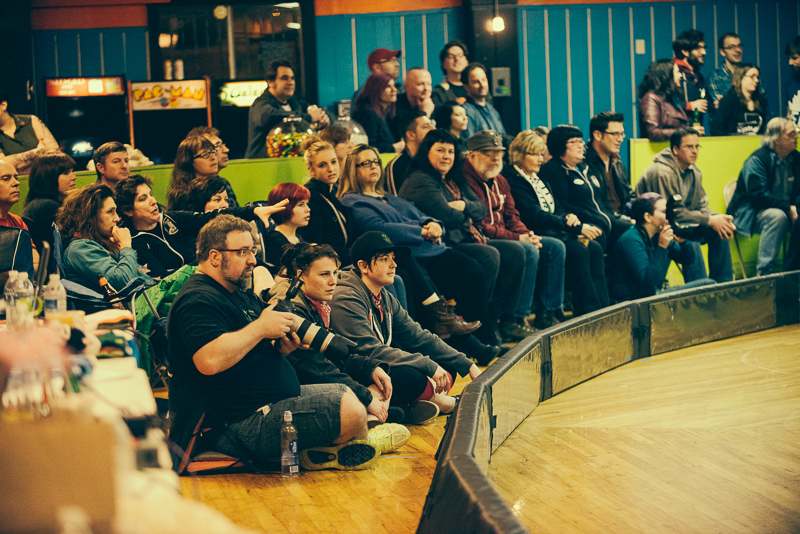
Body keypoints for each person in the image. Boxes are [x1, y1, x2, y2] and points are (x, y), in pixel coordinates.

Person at [167, 214, 404, 472]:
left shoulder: (236, 293)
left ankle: (331, 450)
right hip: (237, 423)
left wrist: (278, 348)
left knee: (346, 392)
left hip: (268, 403)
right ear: (214, 256)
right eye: (243, 252)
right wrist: (260, 328)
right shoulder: (198, 299)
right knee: (351, 410)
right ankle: (361, 443)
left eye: (253, 251)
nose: (252, 260)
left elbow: (247, 348)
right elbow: (209, 360)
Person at [330, 231, 482, 420]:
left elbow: (419, 336)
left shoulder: (383, 296)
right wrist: (427, 366)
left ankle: (402, 408)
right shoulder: (345, 297)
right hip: (354, 373)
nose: (394, 264)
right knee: (411, 377)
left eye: (393, 258)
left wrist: (467, 364)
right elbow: (369, 350)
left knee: (447, 365)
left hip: (377, 369)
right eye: (384, 259)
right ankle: (440, 403)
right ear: (363, 266)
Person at [337, 143, 482, 339]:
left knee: (472, 269)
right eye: (366, 163)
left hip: (427, 250)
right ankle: (446, 322)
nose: (373, 166)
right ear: (352, 169)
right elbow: (379, 228)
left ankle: (471, 335)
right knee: (412, 271)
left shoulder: (390, 197)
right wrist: (421, 231)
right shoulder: (352, 200)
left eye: (376, 162)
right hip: (406, 253)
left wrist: (433, 224)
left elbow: (420, 215)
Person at [267, 243, 405, 428]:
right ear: (301, 275)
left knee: (381, 377)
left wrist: (371, 368)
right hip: (295, 389)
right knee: (358, 392)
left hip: (317, 378)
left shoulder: (319, 305)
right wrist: (366, 397)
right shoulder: (291, 311)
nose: (333, 281)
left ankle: (372, 417)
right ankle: (371, 419)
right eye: (324, 274)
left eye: (335, 273)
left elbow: (338, 356)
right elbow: (316, 367)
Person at [399, 128, 509, 354]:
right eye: (440, 150)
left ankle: (491, 324)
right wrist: (466, 215)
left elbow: (481, 208)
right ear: (426, 152)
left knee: (508, 254)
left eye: (450, 151)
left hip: (453, 240)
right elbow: (447, 216)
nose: (446, 156)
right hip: (431, 249)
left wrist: (464, 206)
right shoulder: (420, 179)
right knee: (482, 261)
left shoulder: (451, 178)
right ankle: (479, 334)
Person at [463, 130, 566, 333]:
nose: (495, 158)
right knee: (527, 250)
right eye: (489, 153)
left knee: (554, 246)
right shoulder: (466, 180)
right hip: (480, 239)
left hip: (505, 236)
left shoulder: (500, 179)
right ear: (472, 155)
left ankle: (548, 312)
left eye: (498, 153)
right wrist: (520, 238)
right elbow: (481, 225)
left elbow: (512, 216)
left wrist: (527, 235)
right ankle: (515, 318)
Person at [505, 130, 608, 316]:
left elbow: (556, 206)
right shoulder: (513, 179)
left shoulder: (536, 178)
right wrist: (573, 225)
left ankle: (604, 310)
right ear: (519, 155)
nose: (540, 159)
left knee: (594, 248)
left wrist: (568, 216)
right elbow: (534, 214)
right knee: (577, 250)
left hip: (554, 229)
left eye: (541, 154)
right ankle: (580, 313)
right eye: (534, 154)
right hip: (535, 231)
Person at [114, 174, 285, 280]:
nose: (153, 201)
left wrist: (253, 211)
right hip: (188, 293)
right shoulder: (135, 242)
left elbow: (211, 217)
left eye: (151, 195)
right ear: (128, 211)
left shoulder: (170, 219)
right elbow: (164, 282)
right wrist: (204, 263)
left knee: (260, 270)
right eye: (143, 199)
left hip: (209, 278)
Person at [636, 127, 735, 283]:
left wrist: (716, 220)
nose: (694, 151)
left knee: (720, 228)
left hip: (682, 221)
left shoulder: (695, 172)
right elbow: (671, 214)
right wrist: (708, 220)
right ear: (675, 150)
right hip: (656, 225)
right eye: (689, 147)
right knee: (687, 234)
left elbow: (701, 205)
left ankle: (723, 286)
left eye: (697, 146)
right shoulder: (662, 172)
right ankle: (699, 288)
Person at [539, 124, 630, 253]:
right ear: (560, 145)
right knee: (597, 234)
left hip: (605, 220)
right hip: (582, 222)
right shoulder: (554, 170)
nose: (580, 146)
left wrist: (611, 216)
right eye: (574, 142)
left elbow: (602, 197)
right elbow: (563, 205)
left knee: (634, 229)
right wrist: (595, 218)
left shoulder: (585, 167)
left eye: (580, 141)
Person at [727, 117, 800, 275]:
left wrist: (794, 208)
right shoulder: (758, 160)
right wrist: (788, 208)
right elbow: (758, 198)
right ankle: (765, 275)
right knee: (777, 216)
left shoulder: (795, 158)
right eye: (791, 134)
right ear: (777, 139)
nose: (796, 137)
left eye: (796, 133)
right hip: (750, 213)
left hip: (785, 210)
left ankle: (793, 274)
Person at [608, 194, 712, 301]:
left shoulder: (657, 235)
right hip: (631, 302)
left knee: (709, 286)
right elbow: (648, 282)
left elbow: (687, 259)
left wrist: (683, 241)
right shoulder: (631, 239)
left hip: (650, 296)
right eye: (664, 212)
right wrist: (662, 247)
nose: (669, 215)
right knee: (708, 285)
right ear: (648, 217)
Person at [56, 183, 153, 294]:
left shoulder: (102, 241)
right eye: (110, 212)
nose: (117, 218)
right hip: (130, 302)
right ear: (90, 216)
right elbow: (123, 282)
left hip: (146, 296)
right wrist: (126, 246)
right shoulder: (80, 248)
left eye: (116, 211)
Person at [246, 60, 330, 159]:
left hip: (291, 162)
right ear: (271, 82)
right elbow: (269, 117)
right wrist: (309, 117)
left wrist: (324, 119)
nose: (290, 82)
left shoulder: (295, 103)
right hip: (262, 164)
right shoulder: (260, 104)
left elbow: (321, 113)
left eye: (292, 78)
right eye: (284, 78)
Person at [296, 137, 355, 265]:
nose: (331, 169)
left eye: (333, 162)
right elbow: (314, 244)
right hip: (329, 265)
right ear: (311, 170)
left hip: (343, 261)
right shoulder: (309, 198)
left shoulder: (330, 193)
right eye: (322, 165)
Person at [22, 152, 76, 257]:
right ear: (48, 176)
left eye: (72, 171)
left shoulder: (39, 203)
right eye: (66, 173)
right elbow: (70, 246)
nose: (74, 177)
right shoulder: (47, 206)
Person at [0, 88, 59, 175]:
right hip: (16, 181)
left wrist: (18, 164)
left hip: (45, 178)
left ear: (3, 105)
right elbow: (3, 166)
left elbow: (55, 153)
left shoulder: (31, 120)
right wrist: (40, 151)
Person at [0, 159, 38, 283]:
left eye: (16, 177)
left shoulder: (17, 222)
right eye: (6, 178)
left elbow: (35, 264)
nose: (16, 182)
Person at [637, 59, 691, 141]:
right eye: (677, 72)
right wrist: (685, 132)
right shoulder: (651, 98)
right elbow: (653, 133)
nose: (680, 75)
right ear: (667, 75)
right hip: (659, 149)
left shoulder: (671, 98)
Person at [186, 126, 238, 207]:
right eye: (217, 146)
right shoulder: (186, 193)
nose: (226, 150)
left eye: (213, 151)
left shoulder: (223, 183)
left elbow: (236, 213)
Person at [352, 73, 404, 154]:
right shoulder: (368, 114)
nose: (394, 90)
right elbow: (369, 146)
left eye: (394, 86)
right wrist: (393, 147)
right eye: (388, 86)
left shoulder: (387, 114)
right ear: (376, 89)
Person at [263, 182, 311, 272]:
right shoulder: (276, 242)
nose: (308, 209)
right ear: (284, 208)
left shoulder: (298, 238)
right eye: (301, 205)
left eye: (306, 204)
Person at [385, 110, 434, 194]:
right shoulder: (397, 166)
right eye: (426, 127)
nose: (433, 129)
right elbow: (396, 199)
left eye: (432, 125)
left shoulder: (434, 160)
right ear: (411, 135)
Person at [711, 64, 769, 136]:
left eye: (757, 77)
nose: (756, 80)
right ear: (740, 78)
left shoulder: (761, 101)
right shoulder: (729, 99)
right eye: (752, 77)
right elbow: (715, 128)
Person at [167, 136, 219, 211]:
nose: (213, 157)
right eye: (204, 154)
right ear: (189, 162)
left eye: (213, 152)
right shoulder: (184, 197)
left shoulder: (219, 185)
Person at [673, 29, 709, 127]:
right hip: (676, 132)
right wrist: (690, 105)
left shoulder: (698, 76)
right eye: (698, 48)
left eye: (704, 48)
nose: (704, 52)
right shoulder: (672, 73)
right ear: (685, 51)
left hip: (695, 130)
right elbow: (663, 104)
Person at [462, 63, 507, 139]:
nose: (482, 85)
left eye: (484, 80)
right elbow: (470, 142)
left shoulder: (492, 110)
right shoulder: (466, 112)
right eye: (476, 82)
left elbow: (503, 138)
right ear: (466, 87)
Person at [392, 67, 435, 136]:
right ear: (407, 86)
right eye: (420, 84)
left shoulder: (435, 103)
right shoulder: (394, 107)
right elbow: (407, 136)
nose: (426, 88)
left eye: (429, 84)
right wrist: (425, 113)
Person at [432, 40, 469, 107]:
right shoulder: (439, 93)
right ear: (443, 64)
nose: (456, 59)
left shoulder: (476, 87)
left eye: (460, 55)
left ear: (466, 61)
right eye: (451, 56)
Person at [783, 36, 800, 129]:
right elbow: (789, 113)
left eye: (794, 58)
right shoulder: (790, 82)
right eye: (789, 58)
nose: (790, 62)